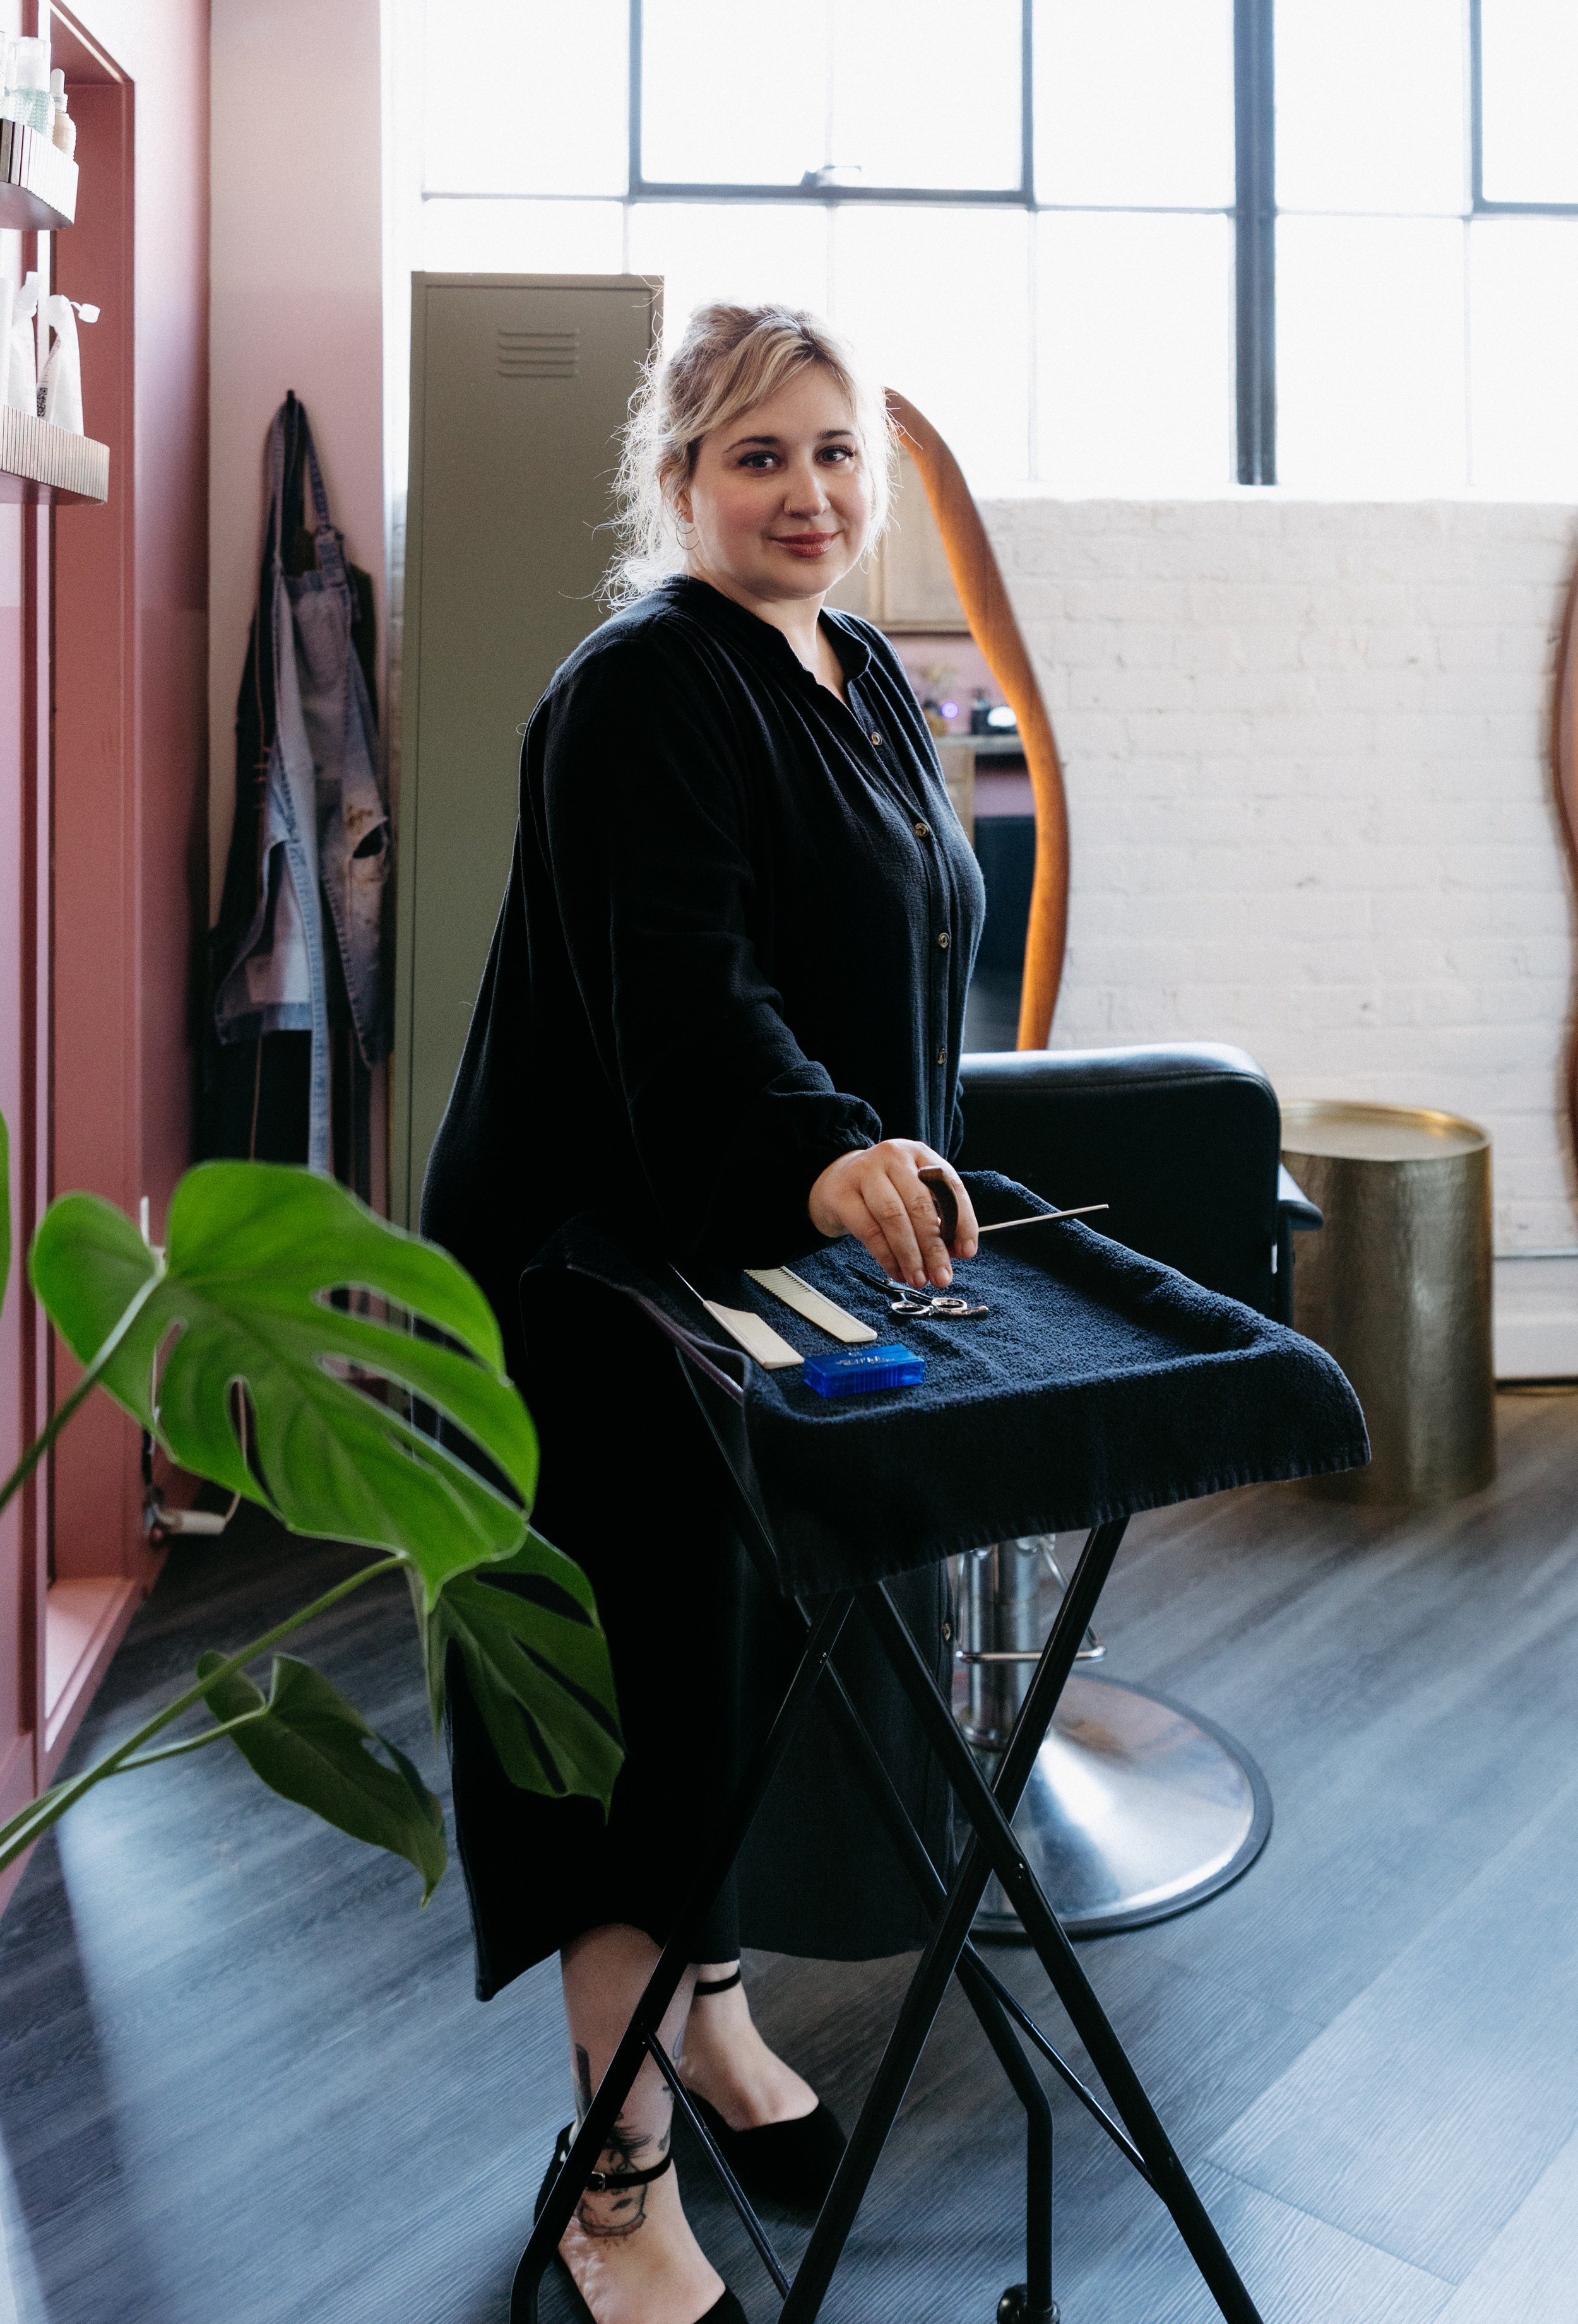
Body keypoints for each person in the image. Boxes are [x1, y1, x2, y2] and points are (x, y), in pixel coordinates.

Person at [421, 301, 985, 2324]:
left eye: (837, 452)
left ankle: (719, 2022)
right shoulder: (644, 685)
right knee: (634, 1731)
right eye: (760, 458)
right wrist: (832, 1143)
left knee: (743, 1667)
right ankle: (615, 2171)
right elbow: (690, 996)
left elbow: (899, 949)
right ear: (675, 486)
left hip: (766, 1267)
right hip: (603, 1280)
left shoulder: (860, 677)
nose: (810, 494)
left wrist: (892, 1153)